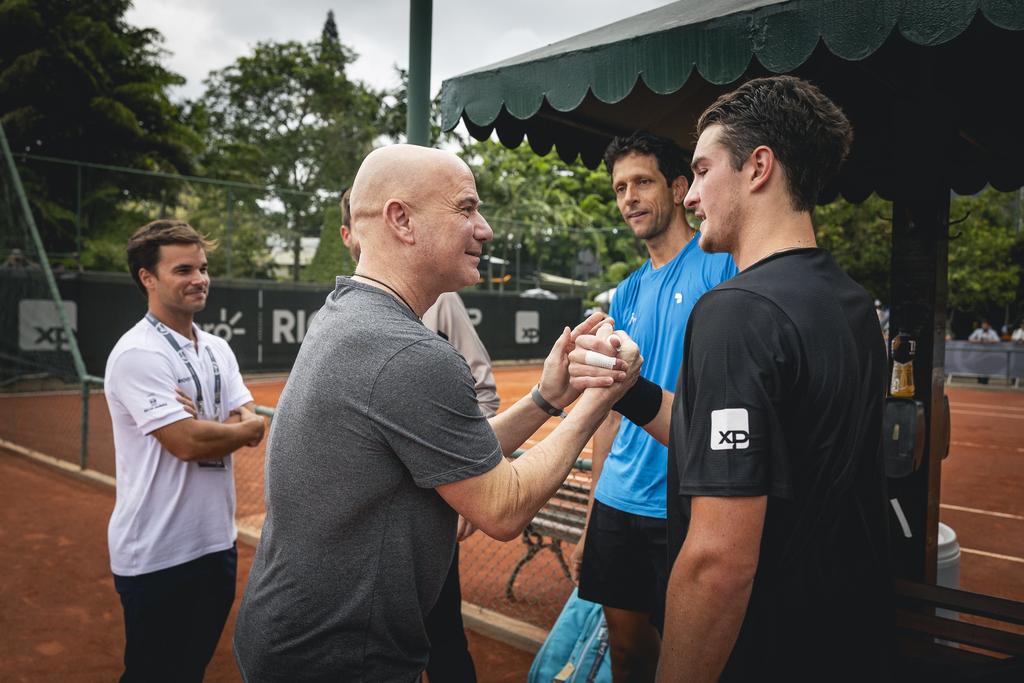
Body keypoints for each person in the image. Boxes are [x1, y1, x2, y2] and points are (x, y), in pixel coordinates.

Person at [233, 144, 642, 682]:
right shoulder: (407, 352)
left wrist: (548, 398)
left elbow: (450, 452)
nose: (485, 228)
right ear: (401, 219)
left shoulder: (349, 315)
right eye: (466, 209)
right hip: (341, 660)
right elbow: (502, 506)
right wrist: (600, 398)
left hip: (298, 642)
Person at [569, 76, 891, 681]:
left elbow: (718, 562)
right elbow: (760, 450)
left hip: (770, 647)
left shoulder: (735, 311)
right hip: (846, 638)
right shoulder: (850, 302)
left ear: (758, 167)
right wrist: (631, 388)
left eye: (703, 170)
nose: (692, 196)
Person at [569, 131, 736, 681]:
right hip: (619, 500)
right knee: (628, 654)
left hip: (686, 504)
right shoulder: (624, 293)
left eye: (642, 182)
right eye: (620, 188)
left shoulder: (720, 266)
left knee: (690, 658)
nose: (629, 198)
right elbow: (608, 410)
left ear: (679, 186)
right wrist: (593, 516)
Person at [340, 186, 499, 681]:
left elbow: (484, 389)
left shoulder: (439, 304)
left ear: (396, 222)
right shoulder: (344, 316)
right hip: (368, 550)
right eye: (466, 210)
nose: (482, 228)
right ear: (351, 234)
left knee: (444, 636)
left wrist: (463, 484)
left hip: (432, 520)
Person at [103, 219, 266, 682]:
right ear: (148, 279)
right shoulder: (139, 353)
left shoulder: (218, 349)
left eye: (203, 267)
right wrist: (220, 428)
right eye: (183, 270)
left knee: (189, 669)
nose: (199, 279)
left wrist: (211, 425)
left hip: (216, 543)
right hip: (156, 551)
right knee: (153, 674)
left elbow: (254, 426)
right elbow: (185, 443)